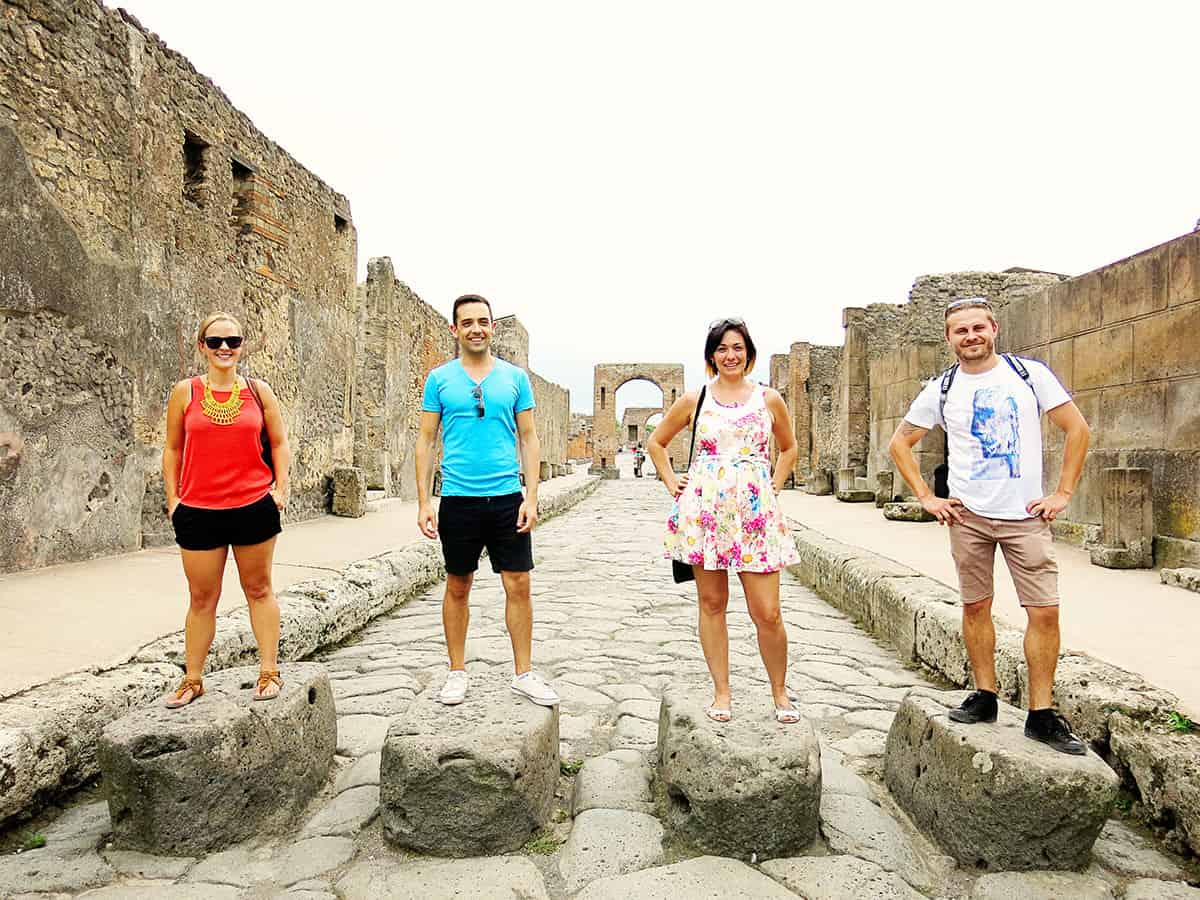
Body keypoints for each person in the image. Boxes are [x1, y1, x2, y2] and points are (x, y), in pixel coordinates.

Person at [888, 297, 1091, 755]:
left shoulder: (1029, 375)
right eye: (961, 331)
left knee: (1044, 612)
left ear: (994, 328)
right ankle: (985, 695)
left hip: (1025, 516)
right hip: (969, 516)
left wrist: (1062, 493)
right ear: (949, 338)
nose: (971, 336)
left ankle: (1041, 713)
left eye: (978, 327)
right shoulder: (942, 388)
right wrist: (926, 497)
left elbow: (1077, 429)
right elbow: (900, 442)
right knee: (975, 606)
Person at [648, 318, 801, 723]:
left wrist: (774, 486)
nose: (730, 356)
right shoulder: (695, 399)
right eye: (722, 349)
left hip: (754, 512)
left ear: (749, 353)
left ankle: (780, 691)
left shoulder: (769, 399)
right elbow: (656, 442)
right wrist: (671, 482)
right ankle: (722, 691)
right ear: (711, 356)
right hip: (705, 511)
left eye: (737, 348)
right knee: (712, 603)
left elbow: (788, 448)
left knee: (766, 610)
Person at [415, 294, 559, 707]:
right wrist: (425, 501)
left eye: (483, 321)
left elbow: (529, 438)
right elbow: (426, 440)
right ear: (454, 329)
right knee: (458, 584)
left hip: (507, 499)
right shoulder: (439, 379)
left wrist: (531, 496)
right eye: (467, 322)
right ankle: (456, 672)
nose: (476, 328)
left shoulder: (515, 379)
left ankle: (524, 673)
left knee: (519, 584)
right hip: (459, 499)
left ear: (492, 327)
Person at [162, 312, 289, 707]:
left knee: (259, 588)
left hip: (253, 505)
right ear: (202, 346)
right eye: (215, 341)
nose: (224, 348)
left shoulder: (258, 391)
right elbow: (172, 449)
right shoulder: (185, 392)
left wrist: (280, 489)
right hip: (199, 509)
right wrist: (173, 501)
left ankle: (269, 670)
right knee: (202, 598)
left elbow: (279, 442)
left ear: (241, 346)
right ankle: (193, 678)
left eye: (232, 341)